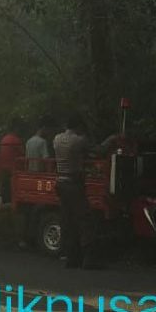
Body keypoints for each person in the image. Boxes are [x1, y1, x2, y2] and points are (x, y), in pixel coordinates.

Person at [53, 113, 118, 269]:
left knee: (68, 220)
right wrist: (111, 139)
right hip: (74, 184)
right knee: (85, 220)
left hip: (60, 182)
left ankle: (71, 258)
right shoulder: (79, 140)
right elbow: (99, 151)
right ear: (79, 127)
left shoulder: (56, 139)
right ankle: (89, 260)